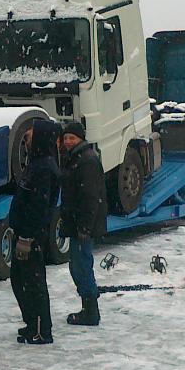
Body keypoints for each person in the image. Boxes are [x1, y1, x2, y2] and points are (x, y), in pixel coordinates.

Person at [8, 117, 62, 344]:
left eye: (30, 136)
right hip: (24, 232)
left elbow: (39, 207)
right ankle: (32, 323)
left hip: (32, 236)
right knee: (20, 280)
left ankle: (41, 329)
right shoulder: (36, 163)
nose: (26, 140)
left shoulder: (44, 168)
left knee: (33, 282)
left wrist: (27, 237)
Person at [58, 121, 106, 326]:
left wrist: (84, 226)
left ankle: (91, 311)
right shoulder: (75, 158)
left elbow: (90, 196)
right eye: (66, 138)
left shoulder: (86, 161)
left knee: (81, 266)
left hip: (82, 225)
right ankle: (88, 306)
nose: (68, 142)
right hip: (77, 223)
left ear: (81, 139)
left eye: (72, 138)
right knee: (77, 266)